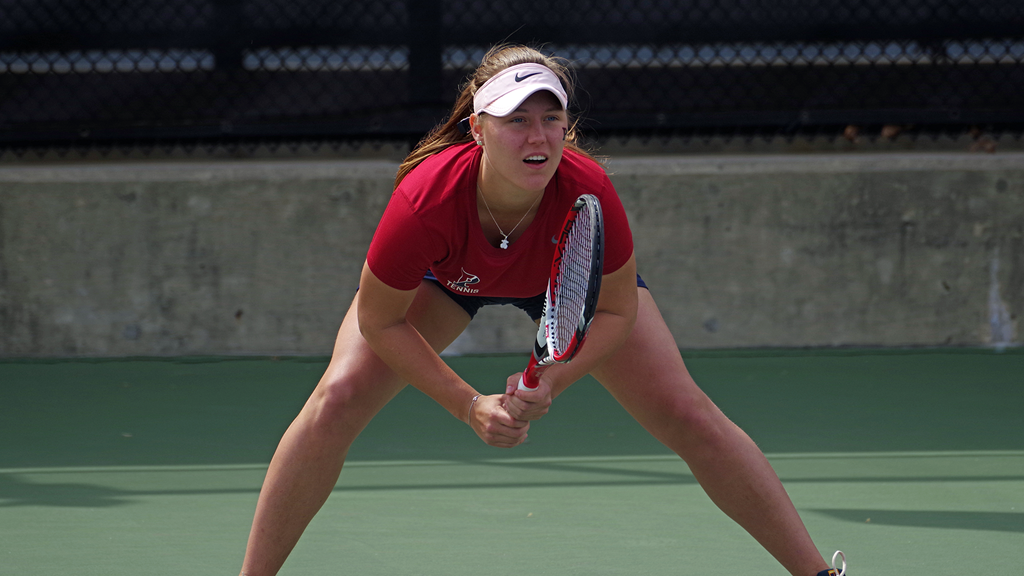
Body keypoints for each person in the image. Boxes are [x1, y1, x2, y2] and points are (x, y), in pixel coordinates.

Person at [239, 44, 845, 576]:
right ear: (477, 128)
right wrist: (469, 404)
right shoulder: (425, 198)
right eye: (516, 120)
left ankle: (818, 575)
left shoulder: (590, 191)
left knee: (687, 411)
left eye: (551, 119)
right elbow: (380, 321)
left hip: (568, 282)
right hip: (448, 279)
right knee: (336, 399)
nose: (538, 136)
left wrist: (552, 381)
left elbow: (613, 313)